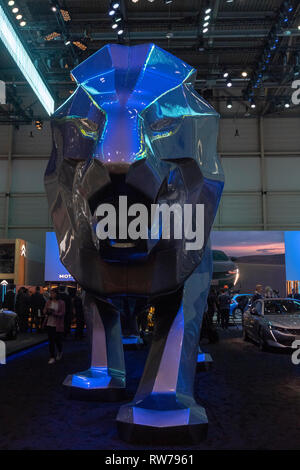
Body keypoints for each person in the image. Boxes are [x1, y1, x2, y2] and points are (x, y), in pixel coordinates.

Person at [43, 289, 65, 364]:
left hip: (57, 324)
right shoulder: (48, 302)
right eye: (51, 293)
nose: (51, 295)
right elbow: (44, 310)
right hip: (49, 323)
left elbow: (62, 313)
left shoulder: (61, 303)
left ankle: (59, 351)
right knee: (51, 341)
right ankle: (52, 356)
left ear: (56, 294)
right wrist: (47, 311)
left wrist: (54, 313)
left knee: (57, 340)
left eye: (53, 293)